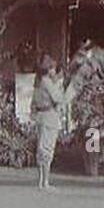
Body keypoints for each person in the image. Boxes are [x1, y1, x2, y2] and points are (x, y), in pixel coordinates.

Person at [31, 54, 70, 191]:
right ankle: (45, 182)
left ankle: (41, 181)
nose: (54, 71)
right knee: (47, 149)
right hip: (49, 117)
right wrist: (60, 85)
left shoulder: (39, 82)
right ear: (49, 69)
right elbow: (58, 98)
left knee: (41, 148)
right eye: (53, 68)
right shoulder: (47, 82)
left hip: (41, 117)